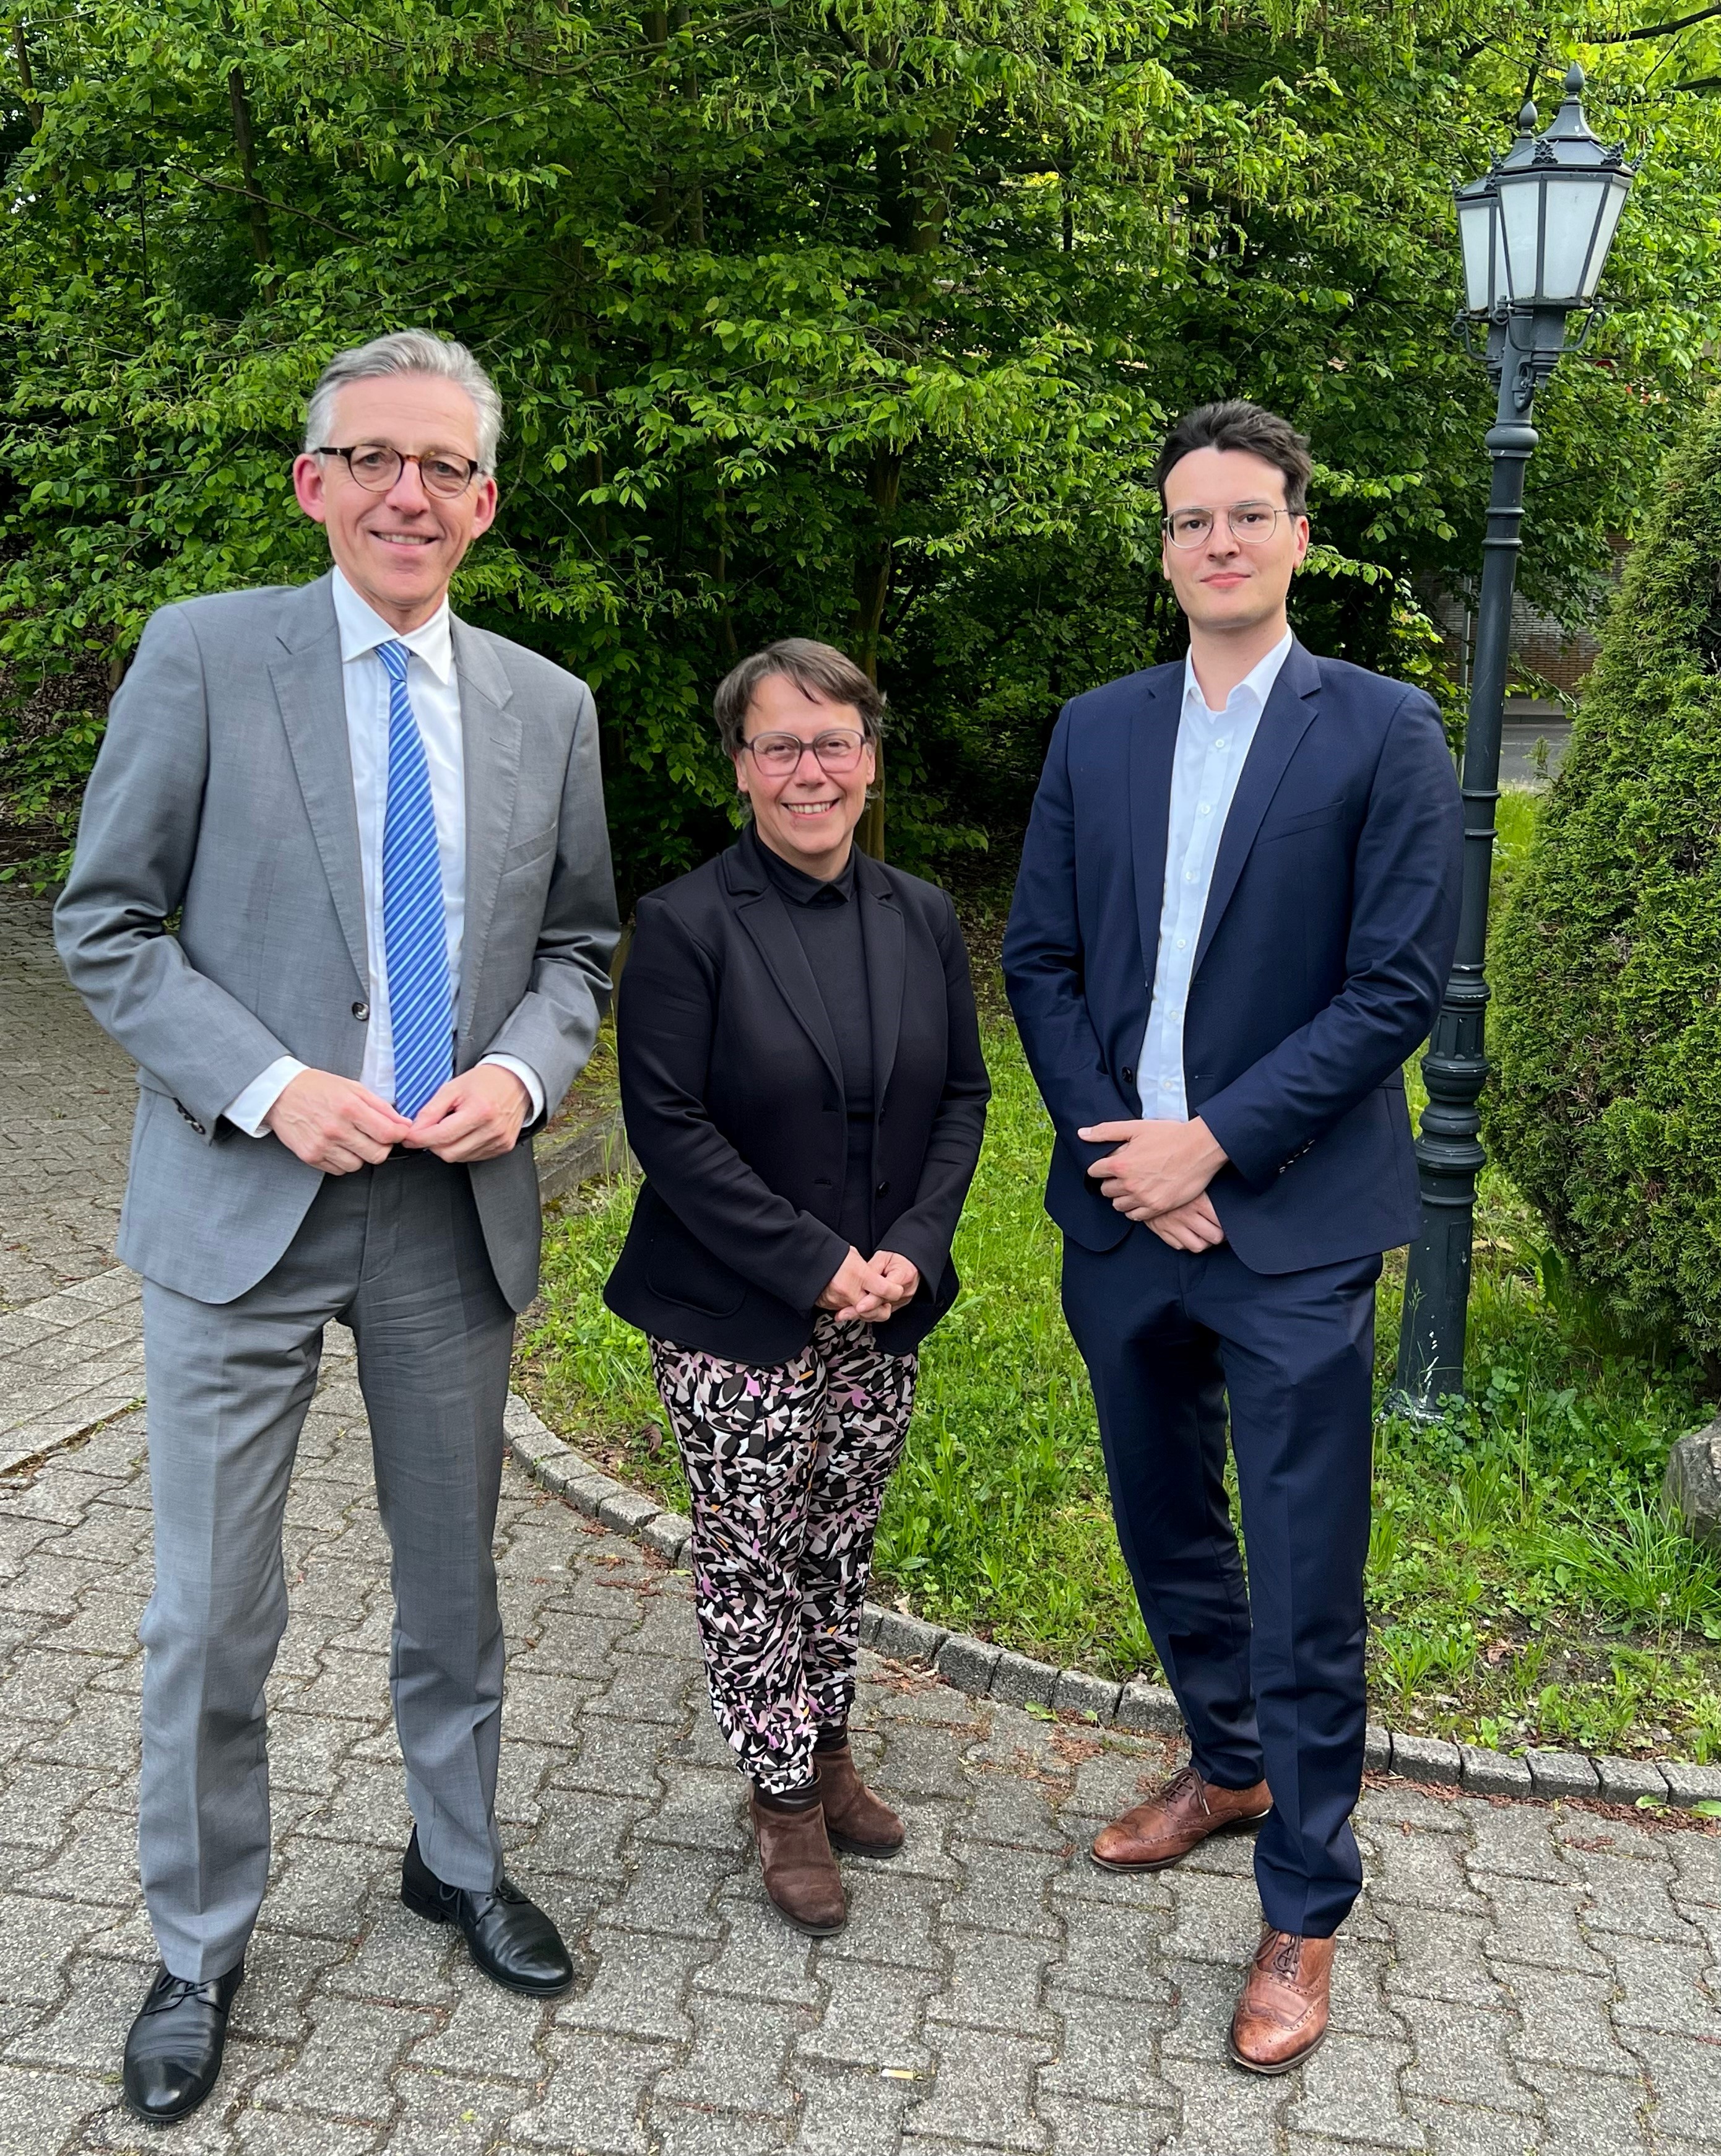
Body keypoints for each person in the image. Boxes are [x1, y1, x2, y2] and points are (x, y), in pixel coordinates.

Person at [54, 331, 619, 2124]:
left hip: (446, 1212)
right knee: (213, 1608)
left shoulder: (546, 702)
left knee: (454, 1590)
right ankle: (197, 1938)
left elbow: (579, 953)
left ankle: (451, 1861)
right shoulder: (207, 655)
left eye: (443, 466)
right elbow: (109, 923)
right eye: (371, 457)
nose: (407, 492)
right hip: (243, 1198)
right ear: (312, 483)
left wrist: (524, 1082)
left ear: (486, 500)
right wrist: (267, 1081)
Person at [1002, 401, 1462, 2073]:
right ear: (1164, 543)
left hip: (1289, 1223)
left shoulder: (1381, 731)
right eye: (1189, 519)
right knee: (1156, 1504)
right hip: (1124, 1211)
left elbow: (1394, 986)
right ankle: (1225, 1755)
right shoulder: (1096, 729)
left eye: (1246, 515)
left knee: (1303, 1555)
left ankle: (1303, 1901)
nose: (1217, 542)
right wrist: (1128, 1154)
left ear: (1297, 535)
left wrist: (1220, 1142)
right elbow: (1039, 960)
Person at [604, 640, 989, 1935]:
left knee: (835, 1544)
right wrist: (810, 1259)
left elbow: (962, 1101)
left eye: (832, 743)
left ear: (870, 760)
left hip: (884, 1305)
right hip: (736, 1314)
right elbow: (665, 1121)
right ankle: (777, 1796)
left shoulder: (922, 915)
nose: (808, 770)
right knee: (751, 1555)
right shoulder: (688, 921)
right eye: (780, 745)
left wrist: (913, 1250)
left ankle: (827, 1751)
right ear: (742, 768)